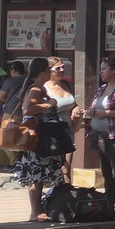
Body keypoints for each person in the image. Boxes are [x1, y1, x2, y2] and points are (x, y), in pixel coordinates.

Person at [9, 57, 66, 222]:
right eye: (48, 70)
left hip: (39, 138)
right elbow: (29, 108)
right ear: (42, 71)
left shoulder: (37, 87)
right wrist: (50, 104)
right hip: (38, 138)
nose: (50, 72)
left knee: (38, 175)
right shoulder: (36, 89)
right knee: (36, 176)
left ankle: (38, 211)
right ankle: (35, 211)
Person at [85, 55, 115, 219]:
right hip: (99, 136)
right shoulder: (101, 89)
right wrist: (89, 112)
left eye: (104, 69)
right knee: (106, 173)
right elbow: (94, 107)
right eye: (101, 69)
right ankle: (109, 207)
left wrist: (105, 113)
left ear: (114, 71)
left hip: (113, 136)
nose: (101, 72)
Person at [44, 56, 80, 184]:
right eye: (58, 68)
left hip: (68, 132)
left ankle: (66, 197)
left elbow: (72, 103)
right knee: (58, 168)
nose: (62, 70)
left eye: (63, 67)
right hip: (53, 134)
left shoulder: (65, 84)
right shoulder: (45, 88)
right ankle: (56, 197)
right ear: (49, 71)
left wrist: (76, 108)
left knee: (66, 168)